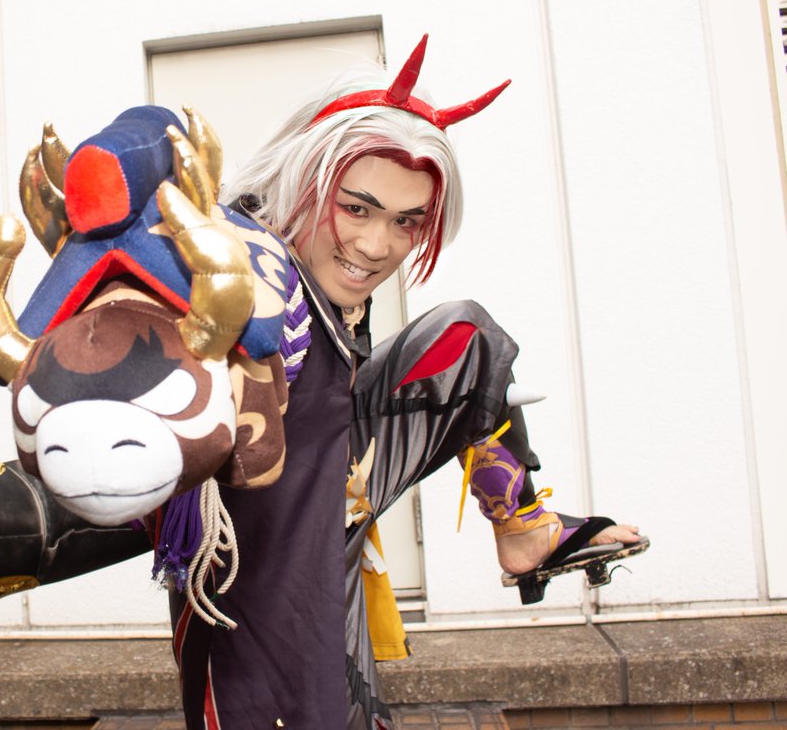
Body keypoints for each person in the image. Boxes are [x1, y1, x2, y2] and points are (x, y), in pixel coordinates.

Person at [166, 36, 643, 729]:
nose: (375, 246)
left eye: (406, 222)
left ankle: (523, 529)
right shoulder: (243, 263)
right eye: (356, 208)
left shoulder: (324, 286)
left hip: (334, 504)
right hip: (254, 571)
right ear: (303, 179)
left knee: (467, 339)